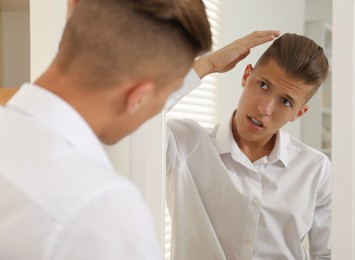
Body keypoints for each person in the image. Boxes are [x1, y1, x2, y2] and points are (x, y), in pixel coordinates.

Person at [0, 1, 281, 259]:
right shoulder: (104, 208)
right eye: (169, 92)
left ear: (71, 8)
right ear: (139, 97)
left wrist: (203, 65)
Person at [165, 33, 331, 259]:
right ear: (246, 76)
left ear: (298, 113)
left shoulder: (316, 169)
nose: (265, 108)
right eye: (263, 85)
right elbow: (140, 117)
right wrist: (207, 64)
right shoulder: (183, 143)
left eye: (285, 101)